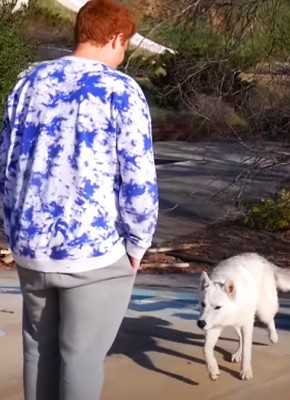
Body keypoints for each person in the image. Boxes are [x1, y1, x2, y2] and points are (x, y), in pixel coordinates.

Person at [0, 1, 158, 399]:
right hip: (95, 253)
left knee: (38, 351)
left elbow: (7, 163)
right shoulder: (121, 90)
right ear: (116, 38)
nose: (124, 55)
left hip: (31, 250)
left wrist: (12, 230)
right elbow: (138, 177)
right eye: (126, 45)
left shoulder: (28, 82)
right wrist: (139, 242)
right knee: (81, 358)